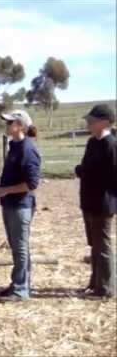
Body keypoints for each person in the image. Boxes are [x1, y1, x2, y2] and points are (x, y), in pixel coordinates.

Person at [0, 110, 41, 302]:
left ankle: (21, 289)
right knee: (16, 246)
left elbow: (31, 184)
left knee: (20, 247)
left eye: (10, 122)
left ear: (21, 126)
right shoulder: (15, 146)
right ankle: (19, 282)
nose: (7, 125)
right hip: (12, 204)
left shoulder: (27, 149)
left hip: (21, 205)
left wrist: (5, 190)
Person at [75, 104, 116, 298]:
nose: (88, 123)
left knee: (103, 246)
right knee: (95, 245)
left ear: (105, 122)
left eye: (92, 121)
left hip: (103, 203)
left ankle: (106, 288)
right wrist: (82, 171)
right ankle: (95, 283)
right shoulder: (92, 142)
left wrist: (87, 173)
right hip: (89, 202)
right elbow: (85, 167)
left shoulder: (111, 145)